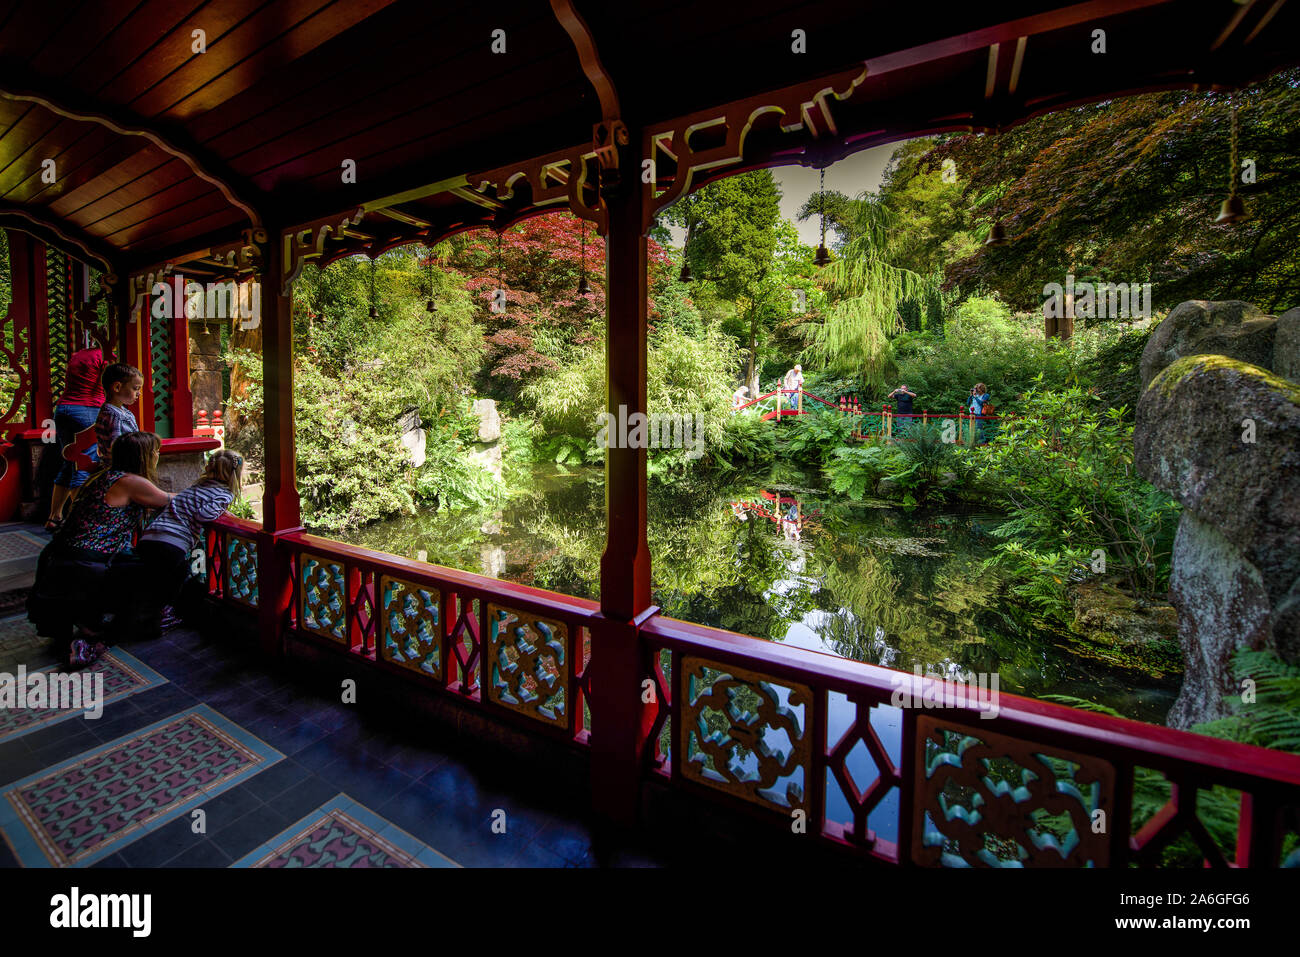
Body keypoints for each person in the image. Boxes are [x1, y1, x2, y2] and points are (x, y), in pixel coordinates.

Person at [28, 432, 172, 668]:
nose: (157, 455)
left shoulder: (103, 476)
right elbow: (169, 499)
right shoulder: (130, 482)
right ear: (143, 456)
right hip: (88, 559)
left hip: (60, 553)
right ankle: (99, 635)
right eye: (155, 452)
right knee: (160, 569)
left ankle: (89, 627)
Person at [130, 450, 243, 637]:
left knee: (154, 580)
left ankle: (142, 619)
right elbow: (204, 515)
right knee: (175, 581)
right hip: (172, 543)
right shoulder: (224, 494)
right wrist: (222, 511)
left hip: (150, 537)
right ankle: (161, 620)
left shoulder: (195, 488)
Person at [45, 324, 108, 531]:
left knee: (68, 460)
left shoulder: (78, 355)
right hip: (88, 409)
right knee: (85, 462)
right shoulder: (104, 357)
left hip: (64, 409)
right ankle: (82, 521)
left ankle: (54, 516)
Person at [94, 363, 144, 467]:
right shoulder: (114, 415)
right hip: (121, 467)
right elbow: (117, 446)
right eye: (135, 388)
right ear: (117, 387)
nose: (139, 393)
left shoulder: (115, 411)